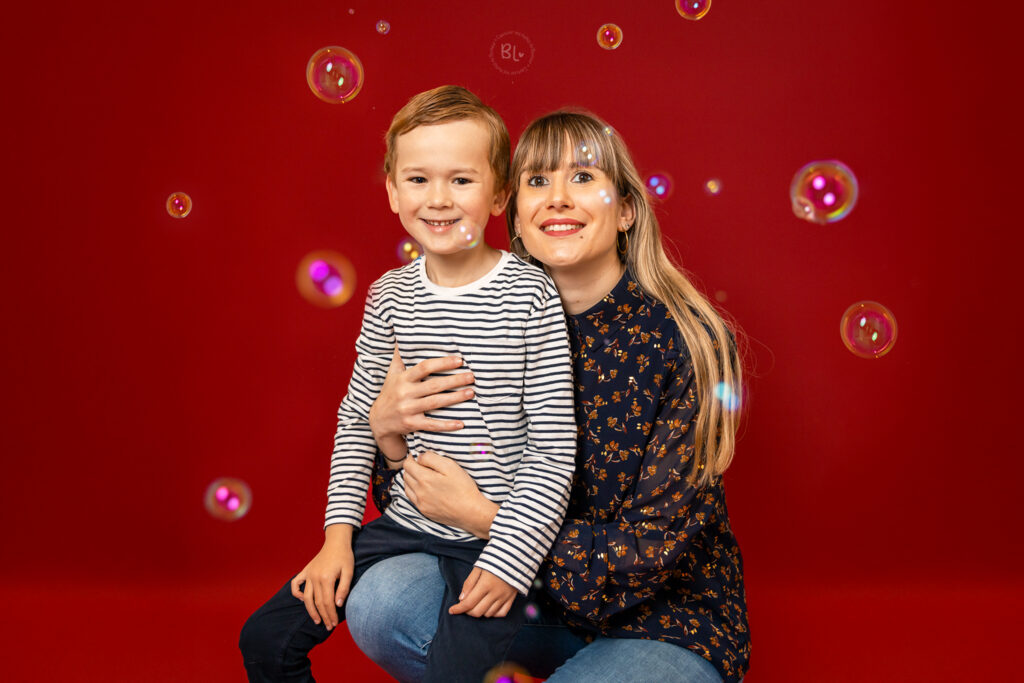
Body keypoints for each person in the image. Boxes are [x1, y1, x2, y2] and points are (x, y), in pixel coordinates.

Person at [345, 110, 751, 682]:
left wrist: (488, 519)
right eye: (537, 181)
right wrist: (388, 440)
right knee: (380, 602)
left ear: (628, 210)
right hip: (527, 599)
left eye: (583, 178)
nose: (557, 198)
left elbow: (654, 552)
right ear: (512, 209)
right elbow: (425, 510)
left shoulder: (684, 340)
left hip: (658, 621)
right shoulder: (483, 317)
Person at [238, 86, 578, 682]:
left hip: (495, 536)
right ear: (393, 192)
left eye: (462, 180)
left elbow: (553, 452)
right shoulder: (390, 296)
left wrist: (508, 561)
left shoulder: (531, 294)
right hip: (406, 526)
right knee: (265, 639)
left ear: (499, 193)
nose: (439, 199)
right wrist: (337, 539)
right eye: (418, 180)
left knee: (452, 667)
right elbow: (359, 422)